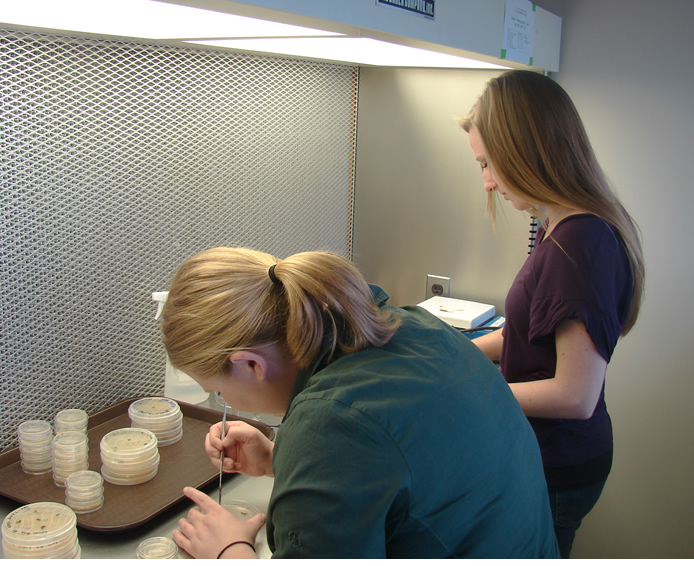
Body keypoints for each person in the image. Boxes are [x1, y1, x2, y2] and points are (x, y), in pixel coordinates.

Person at [161, 246, 559, 559]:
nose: (223, 401)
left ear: (249, 363)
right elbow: (395, 457)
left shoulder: (330, 422)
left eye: (218, 390)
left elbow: (349, 434)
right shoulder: (414, 327)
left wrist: (229, 550)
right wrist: (277, 460)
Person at [460, 70, 645, 558]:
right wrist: (455, 352)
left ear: (526, 150)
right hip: (550, 454)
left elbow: (574, 394)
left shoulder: (579, 244)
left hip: (557, 466)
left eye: (488, 164)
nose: (487, 182)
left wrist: (462, 389)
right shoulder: (559, 225)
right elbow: (528, 332)